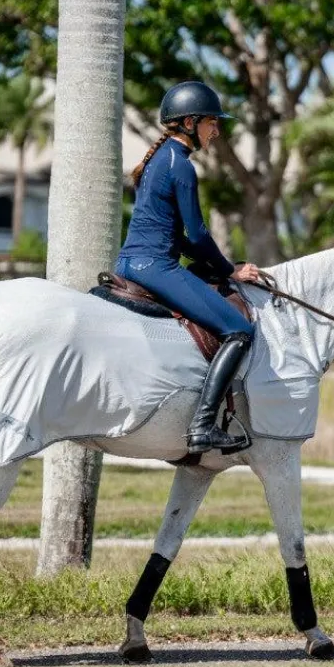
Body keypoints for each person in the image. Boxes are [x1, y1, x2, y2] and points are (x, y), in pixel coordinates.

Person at [115, 81, 261, 454]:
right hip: (155, 266)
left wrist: (206, 264)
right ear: (190, 122)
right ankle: (202, 425)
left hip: (131, 261)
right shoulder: (180, 165)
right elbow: (195, 234)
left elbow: (170, 230)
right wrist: (230, 271)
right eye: (213, 122)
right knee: (239, 329)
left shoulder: (159, 158)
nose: (217, 130)